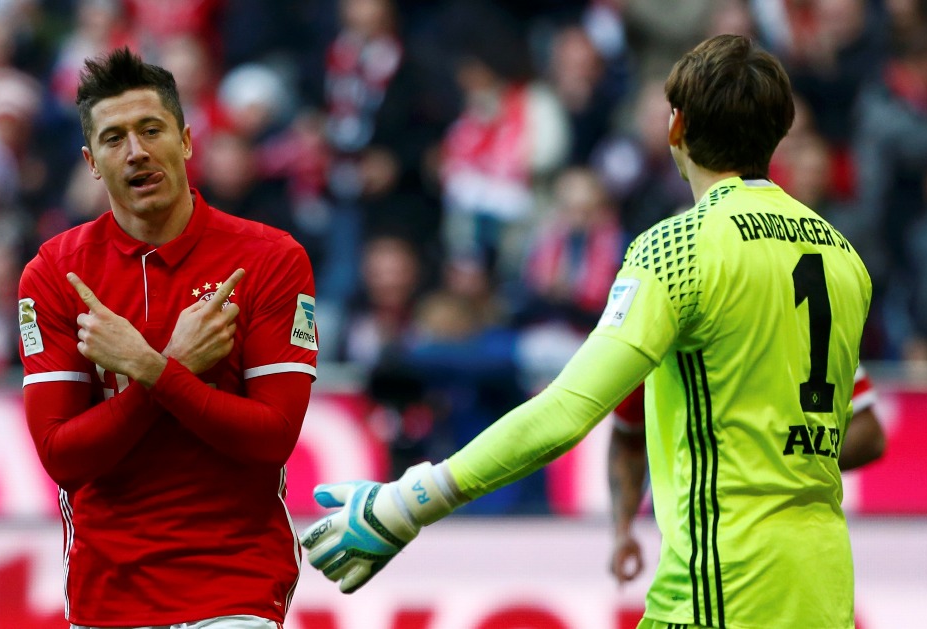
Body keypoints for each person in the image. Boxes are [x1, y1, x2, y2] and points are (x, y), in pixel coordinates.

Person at [299, 34, 871, 629]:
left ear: (675, 127)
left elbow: (566, 410)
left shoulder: (678, 248)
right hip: (825, 588)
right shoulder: (843, 258)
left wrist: (413, 500)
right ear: (778, 133)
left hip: (722, 587)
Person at [17, 48, 318, 629]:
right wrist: (171, 368)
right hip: (108, 588)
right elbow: (60, 454)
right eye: (113, 138)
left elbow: (273, 438)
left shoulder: (271, 259)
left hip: (238, 584)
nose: (136, 151)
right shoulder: (55, 274)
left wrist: (152, 370)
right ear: (91, 162)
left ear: (185, 141)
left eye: (150, 129)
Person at [608, 365, 886, 585]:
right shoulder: (669, 314)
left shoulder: (791, 312)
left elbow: (869, 434)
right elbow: (626, 435)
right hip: (696, 562)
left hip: (787, 559)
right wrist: (623, 529)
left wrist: (775, 469)